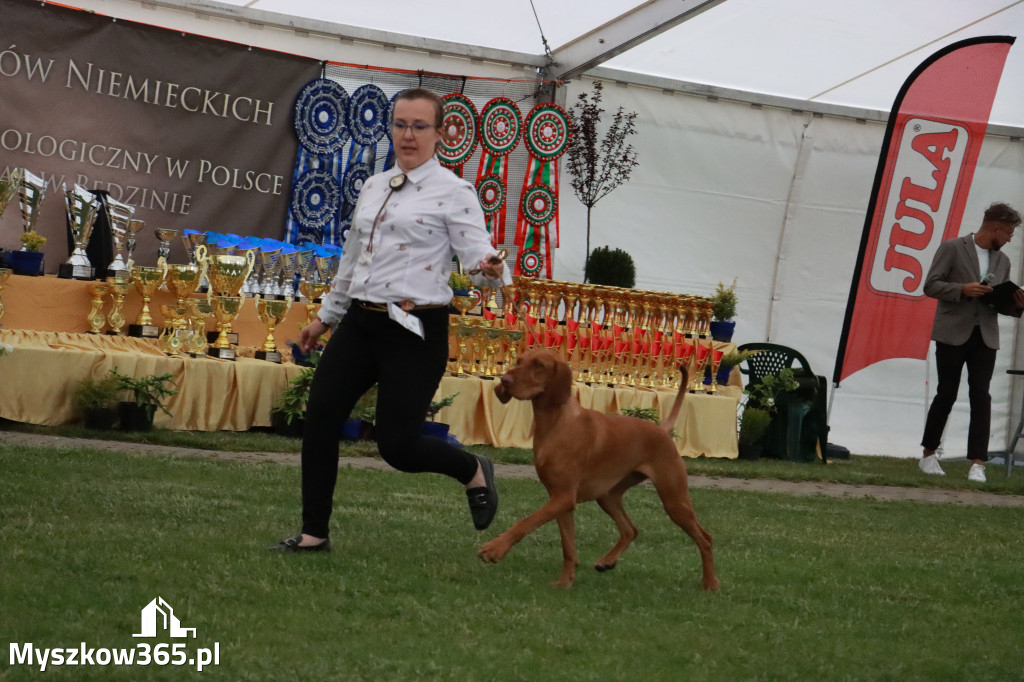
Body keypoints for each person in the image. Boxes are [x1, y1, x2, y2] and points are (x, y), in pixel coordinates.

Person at [270, 88, 508, 552]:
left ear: (442, 134)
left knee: (398, 447)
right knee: (320, 418)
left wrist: (489, 268)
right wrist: (325, 318)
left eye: (420, 126)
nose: (408, 135)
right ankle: (313, 534)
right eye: (400, 124)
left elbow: (479, 255)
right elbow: (354, 257)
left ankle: (472, 469)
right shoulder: (375, 186)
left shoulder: (454, 192)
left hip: (415, 331)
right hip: (361, 322)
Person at [919, 202, 1024, 482]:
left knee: (982, 396)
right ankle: (929, 454)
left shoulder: (1003, 261)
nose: (1010, 239)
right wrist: (962, 289)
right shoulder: (953, 247)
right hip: (953, 331)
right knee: (947, 393)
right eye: (1009, 233)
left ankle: (978, 463)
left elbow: (997, 301)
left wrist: (1016, 305)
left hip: (985, 336)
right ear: (996, 228)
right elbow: (930, 285)